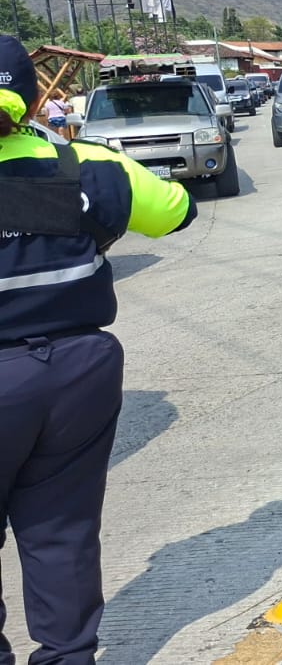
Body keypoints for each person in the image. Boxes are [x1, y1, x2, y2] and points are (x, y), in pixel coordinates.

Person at [0, 34, 196, 665]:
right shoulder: (89, 164)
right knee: (61, 529)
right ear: (35, 101)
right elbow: (176, 211)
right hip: (77, 371)